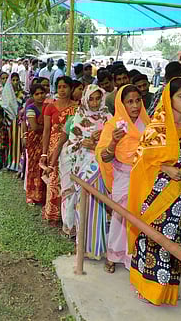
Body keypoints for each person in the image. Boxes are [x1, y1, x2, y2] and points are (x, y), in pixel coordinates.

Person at [128, 76, 181, 306]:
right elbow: (140, 157)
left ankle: (167, 289)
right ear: (169, 98)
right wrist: (165, 168)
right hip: (157, 195)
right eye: (180, 96)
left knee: (176, 241)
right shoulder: (158, 127)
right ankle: (147, 287)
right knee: (153, 239)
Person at [97, 85, 151, 273]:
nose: (135, 105)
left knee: (139, 218)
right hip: (123, 178)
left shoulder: (148, 123)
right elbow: (104, 156)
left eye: (138, 100)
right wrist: (113, 141)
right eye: (130, 101)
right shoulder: (113, 125)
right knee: (120, 217)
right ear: (121, 104)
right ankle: (113, 256)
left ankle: (134, 258)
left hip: (143, 178)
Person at [57, 85, 111, 247]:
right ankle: (82, 243)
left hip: (101, 165)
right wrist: (84, 142)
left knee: (100, 204)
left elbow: (115, 141)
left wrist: (100, 140)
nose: (94, 103)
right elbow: (72, 144)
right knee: (83, 203)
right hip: (82, 166)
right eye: (91, 99)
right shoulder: (79, 117)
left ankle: (98, 243)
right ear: (86, 99)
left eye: (97, 98)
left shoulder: (108, 117)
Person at [40, 76, 78, 227]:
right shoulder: (50, 107)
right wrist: (44, 153)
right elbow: (46, 131)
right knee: (54, 179)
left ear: (71, 89)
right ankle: (53, 213)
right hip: (54, 147)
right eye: (60, 87)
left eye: (65, 87)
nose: (62, 90)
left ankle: (69, 215)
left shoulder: (77, 108)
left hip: (71, 147)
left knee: (68, 179)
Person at [25, 84, 48, 205]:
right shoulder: (30, 108)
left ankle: (43, 194)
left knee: (44, 166)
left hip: (45, 140)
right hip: (35, 141)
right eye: (37, 94)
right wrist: (47, 128)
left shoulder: (48, 106)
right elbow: (34, 127)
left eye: (42, 93)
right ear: (33, 96)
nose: (40, 96)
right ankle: (31, 194)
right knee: (34, 167)